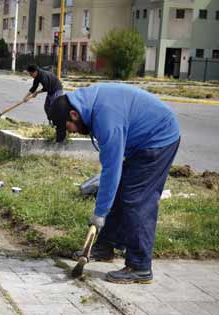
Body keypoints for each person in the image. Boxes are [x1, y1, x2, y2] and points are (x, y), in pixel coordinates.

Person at [49, 84, 180, 284]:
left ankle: (140, 266)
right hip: (142, 141)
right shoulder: (85, 103)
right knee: (120, 192)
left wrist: (99, 213)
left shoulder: (106, 119)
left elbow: (111, 169)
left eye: (69, 128)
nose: (72, 132)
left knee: (137, 200)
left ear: (74, 115)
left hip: (158, 139)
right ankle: (106, 246)